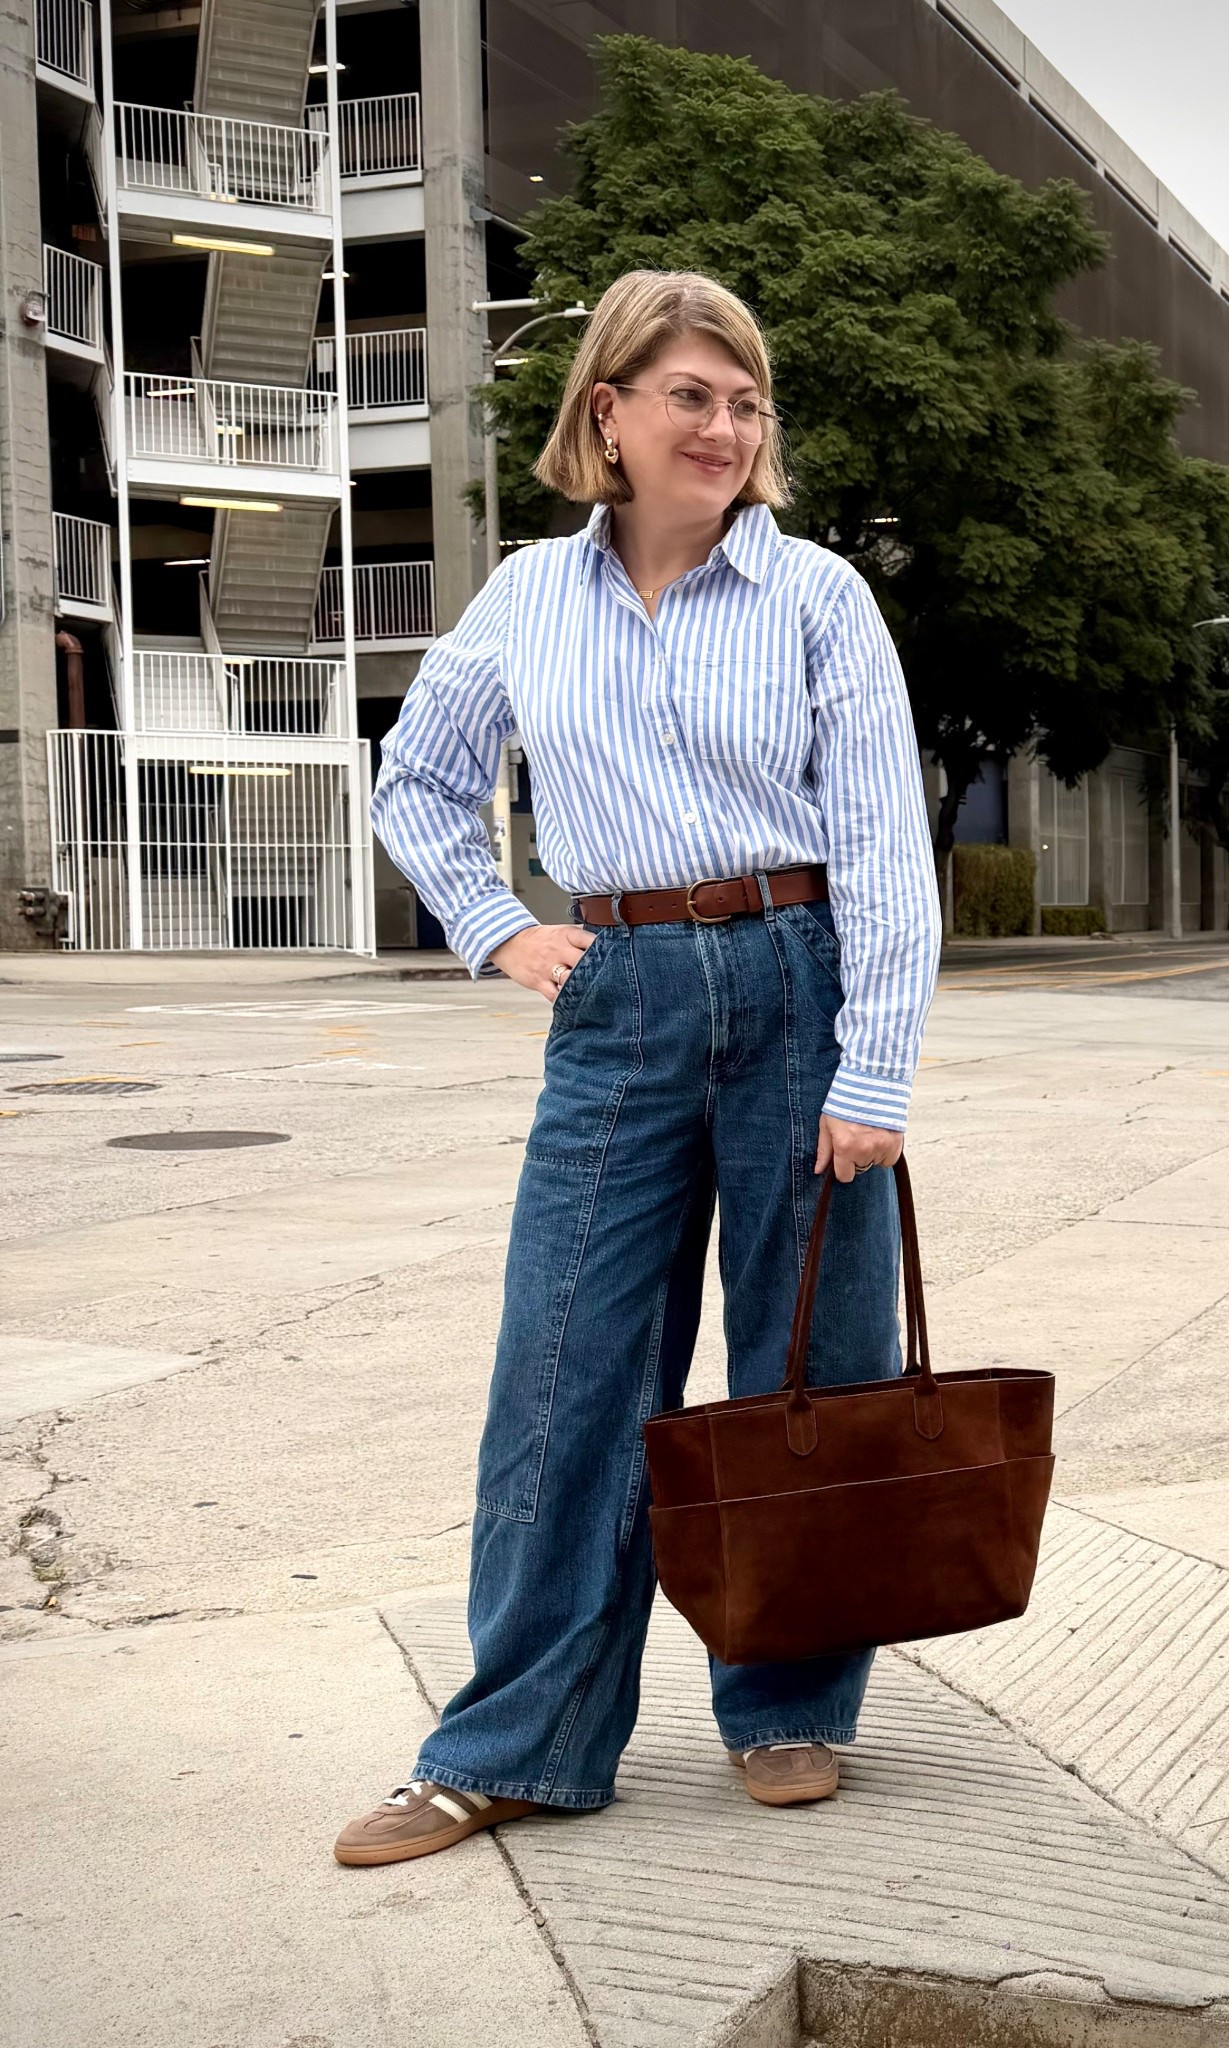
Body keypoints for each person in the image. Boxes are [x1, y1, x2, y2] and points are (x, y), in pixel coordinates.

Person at [334, 269, 941, 1867]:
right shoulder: (530, 598)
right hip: (618, 997)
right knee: (564, 1367)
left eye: (746, 403)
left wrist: (872, 1069)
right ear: (607, 411)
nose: (725, 428)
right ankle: (516, 1743)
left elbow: (884, 842)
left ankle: (791, 1700)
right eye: (691, 395)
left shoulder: (819, 599)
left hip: (799, 984)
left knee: (812, 1367)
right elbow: (420, 777)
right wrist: (496, 927)